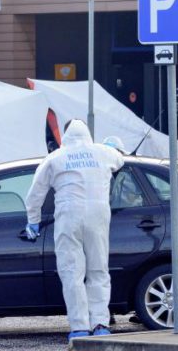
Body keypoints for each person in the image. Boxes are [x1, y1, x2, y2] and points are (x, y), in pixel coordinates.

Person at [24, 119, 124, 341]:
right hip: (98, 217)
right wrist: (110, 146)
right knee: (98, 271)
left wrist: (33, 220)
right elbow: (121, 158)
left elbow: (35, 193)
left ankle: (79, 327)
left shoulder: (55, 158)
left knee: (72, 274)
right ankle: (100, 324)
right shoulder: (103, 153)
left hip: (69, 217)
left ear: (65, 134)